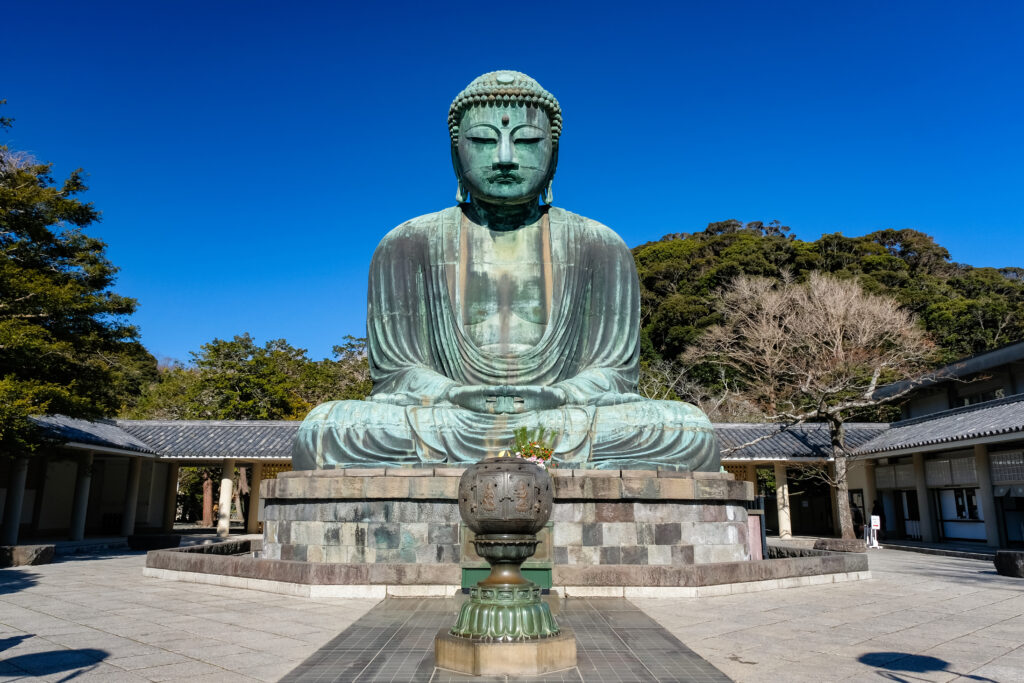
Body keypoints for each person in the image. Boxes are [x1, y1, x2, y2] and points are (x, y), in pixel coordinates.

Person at [292, 71, 718, 470]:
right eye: (482, 139)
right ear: (456, 154)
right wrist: (452, 393)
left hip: (563, 417)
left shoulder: (600, 245)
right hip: (449, 418)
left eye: (528, 140)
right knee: (327, 429)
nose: (505, 157)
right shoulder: (406, 244)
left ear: (554, 155)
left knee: (685, 429)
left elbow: (615, 374)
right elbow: (398, 372)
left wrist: (559, 394)